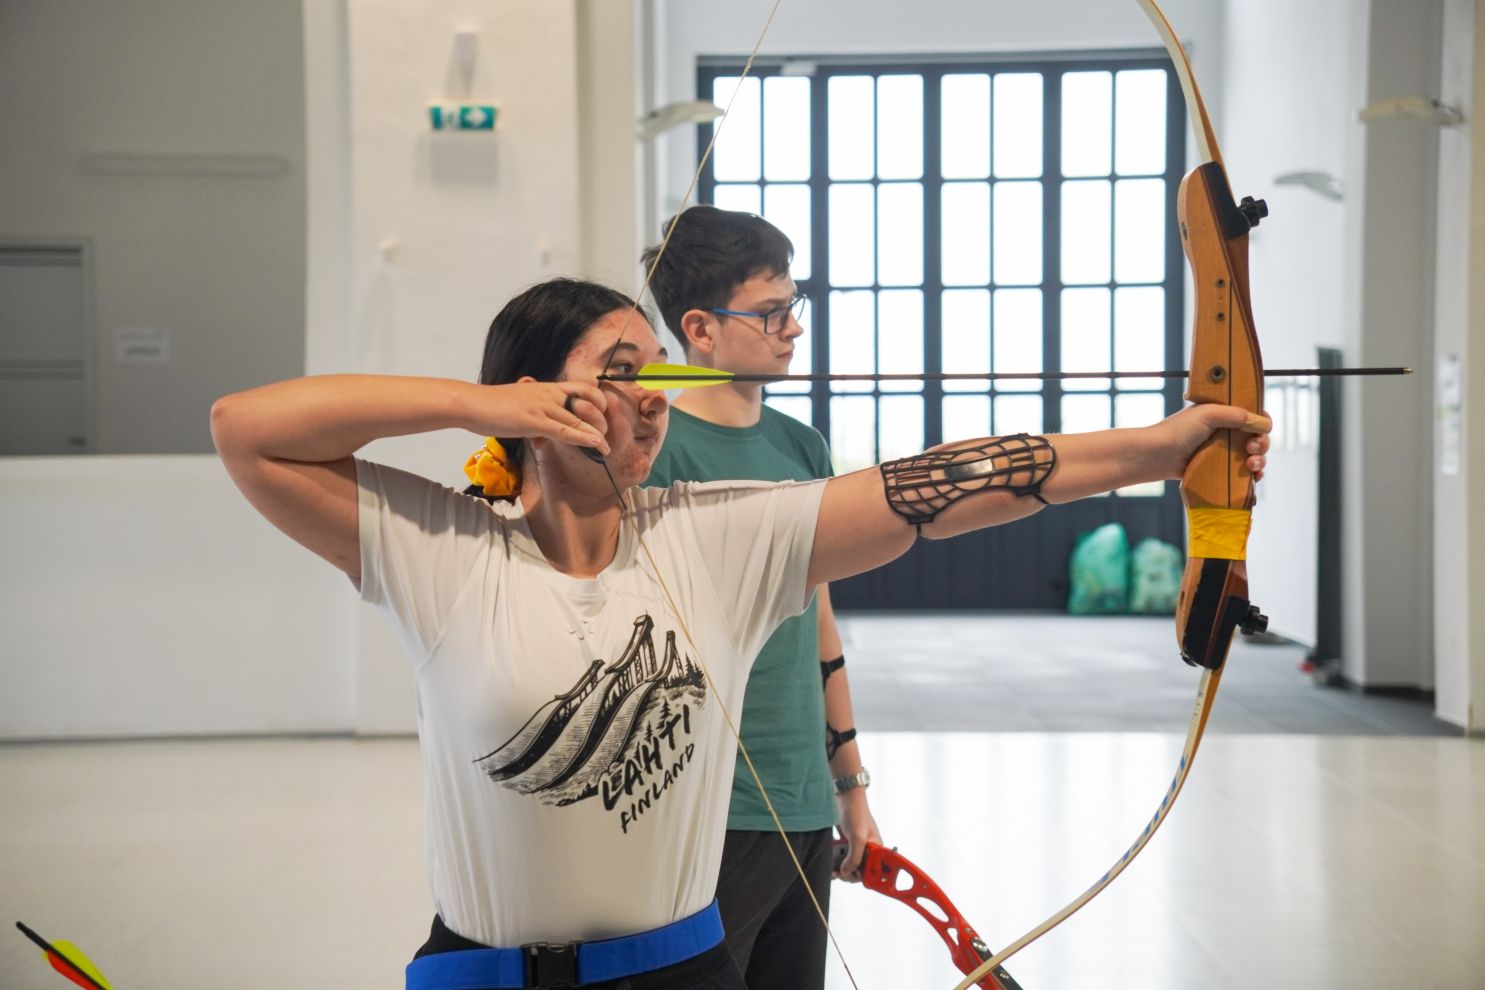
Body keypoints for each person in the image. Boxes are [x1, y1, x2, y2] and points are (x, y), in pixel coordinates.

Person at [210, 276, 1270, 990]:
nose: (659, 392)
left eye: (663, 365)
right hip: (475, 970)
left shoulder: (718, 542)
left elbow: (936, 487)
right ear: (537, 393)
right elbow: (245, 429)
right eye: (625, 368)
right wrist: (481, 404)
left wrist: (1163, 451)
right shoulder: (440, 545)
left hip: (673, 973)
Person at [640, 205, 880, 990]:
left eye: (793, 307)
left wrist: (848, 786)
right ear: (700, 329)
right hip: (704, 804)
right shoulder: (658, 449)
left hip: (800, 798)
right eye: (771, 312)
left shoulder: (799, 445)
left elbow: (816, 618)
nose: (792, 329)